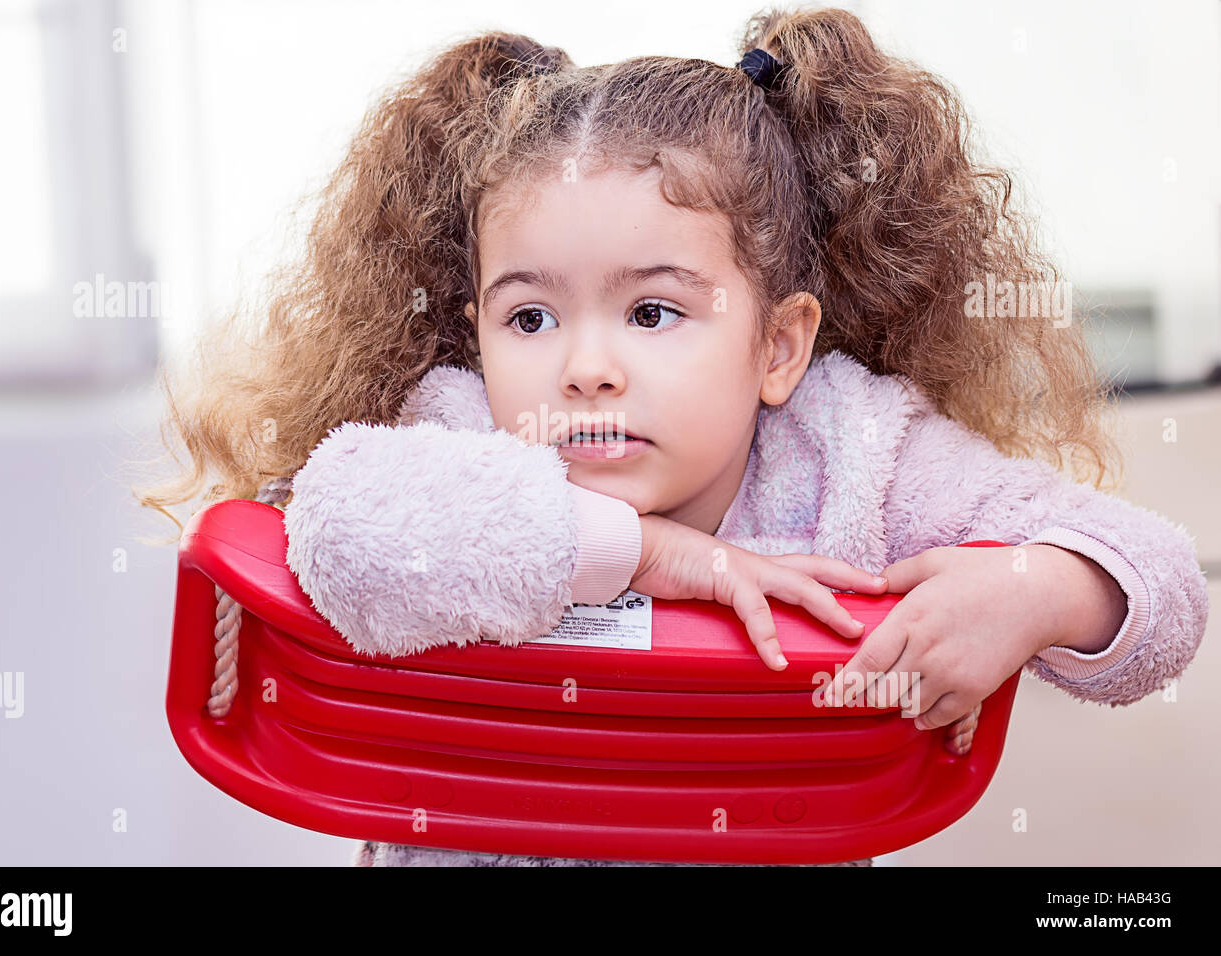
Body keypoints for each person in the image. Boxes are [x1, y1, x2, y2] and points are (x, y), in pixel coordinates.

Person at [138, 7, 1210, 866]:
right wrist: (662, 557)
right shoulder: (456, 434)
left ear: (779, 345)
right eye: (529, 316)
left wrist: (1037, 588)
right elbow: (339, 527)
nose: (584, 365)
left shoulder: (854, 455)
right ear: (475, 333)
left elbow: (1164, 585)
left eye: (651, 312)